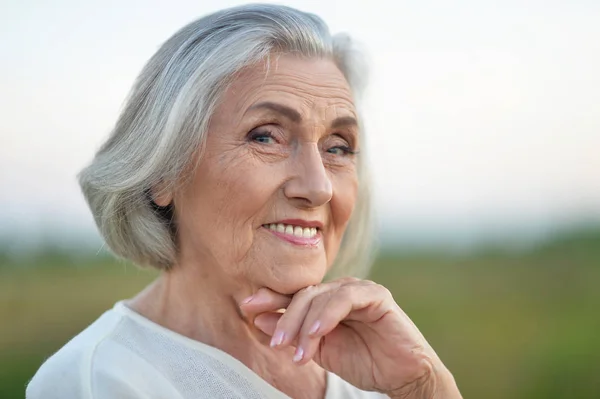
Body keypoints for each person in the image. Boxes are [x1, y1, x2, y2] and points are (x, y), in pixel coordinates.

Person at [27, 4, 462, 399]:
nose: (318, 188)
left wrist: (425, 386)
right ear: (163, 171)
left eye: (338, 147)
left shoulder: (378, 372)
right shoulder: (97, 381)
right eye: (265, 136)